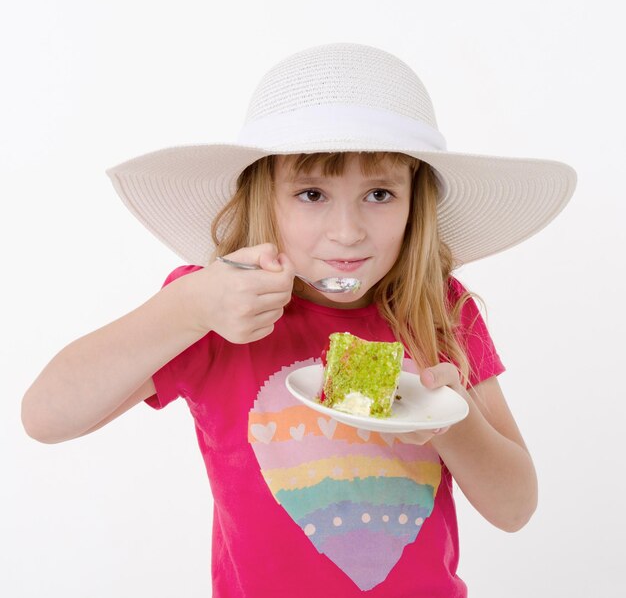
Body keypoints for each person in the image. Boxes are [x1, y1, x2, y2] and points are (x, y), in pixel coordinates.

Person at [21, 43, 576, 596]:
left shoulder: (441, 310)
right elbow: (46, 417)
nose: (348, 230)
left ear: (417, 204)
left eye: (379, 193)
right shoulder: (217, 307)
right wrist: (188, 306)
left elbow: (515, 508)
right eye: (312, 193)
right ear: (266, 198)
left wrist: (454, 422)